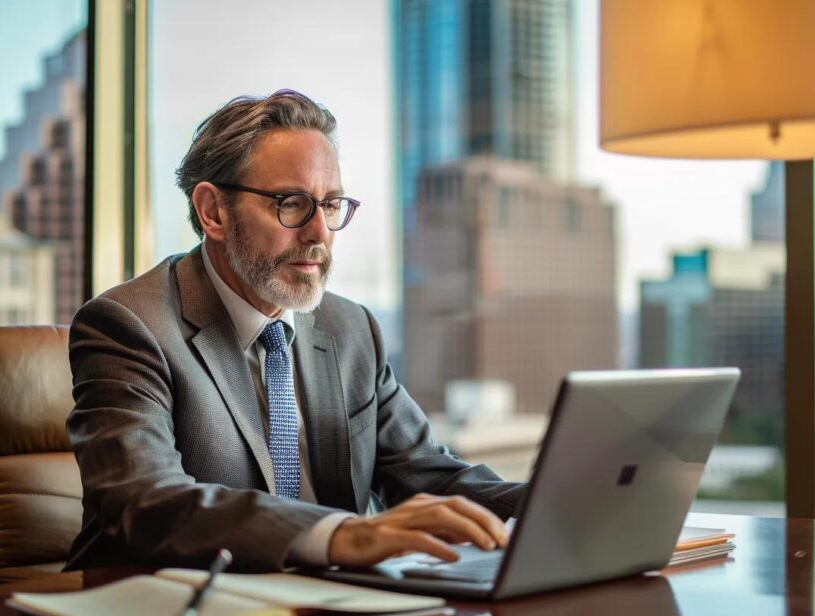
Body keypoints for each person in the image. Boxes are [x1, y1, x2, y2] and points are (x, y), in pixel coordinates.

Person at [65, 89, 526, 572]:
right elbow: (146, 503)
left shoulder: (351, 329)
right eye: (291, 204)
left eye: (330, 205)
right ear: (214, 212)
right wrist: (338, 534)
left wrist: (568, 504)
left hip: (331, 599)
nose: (319, 233)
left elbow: (432, 477)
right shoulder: (129, 325)